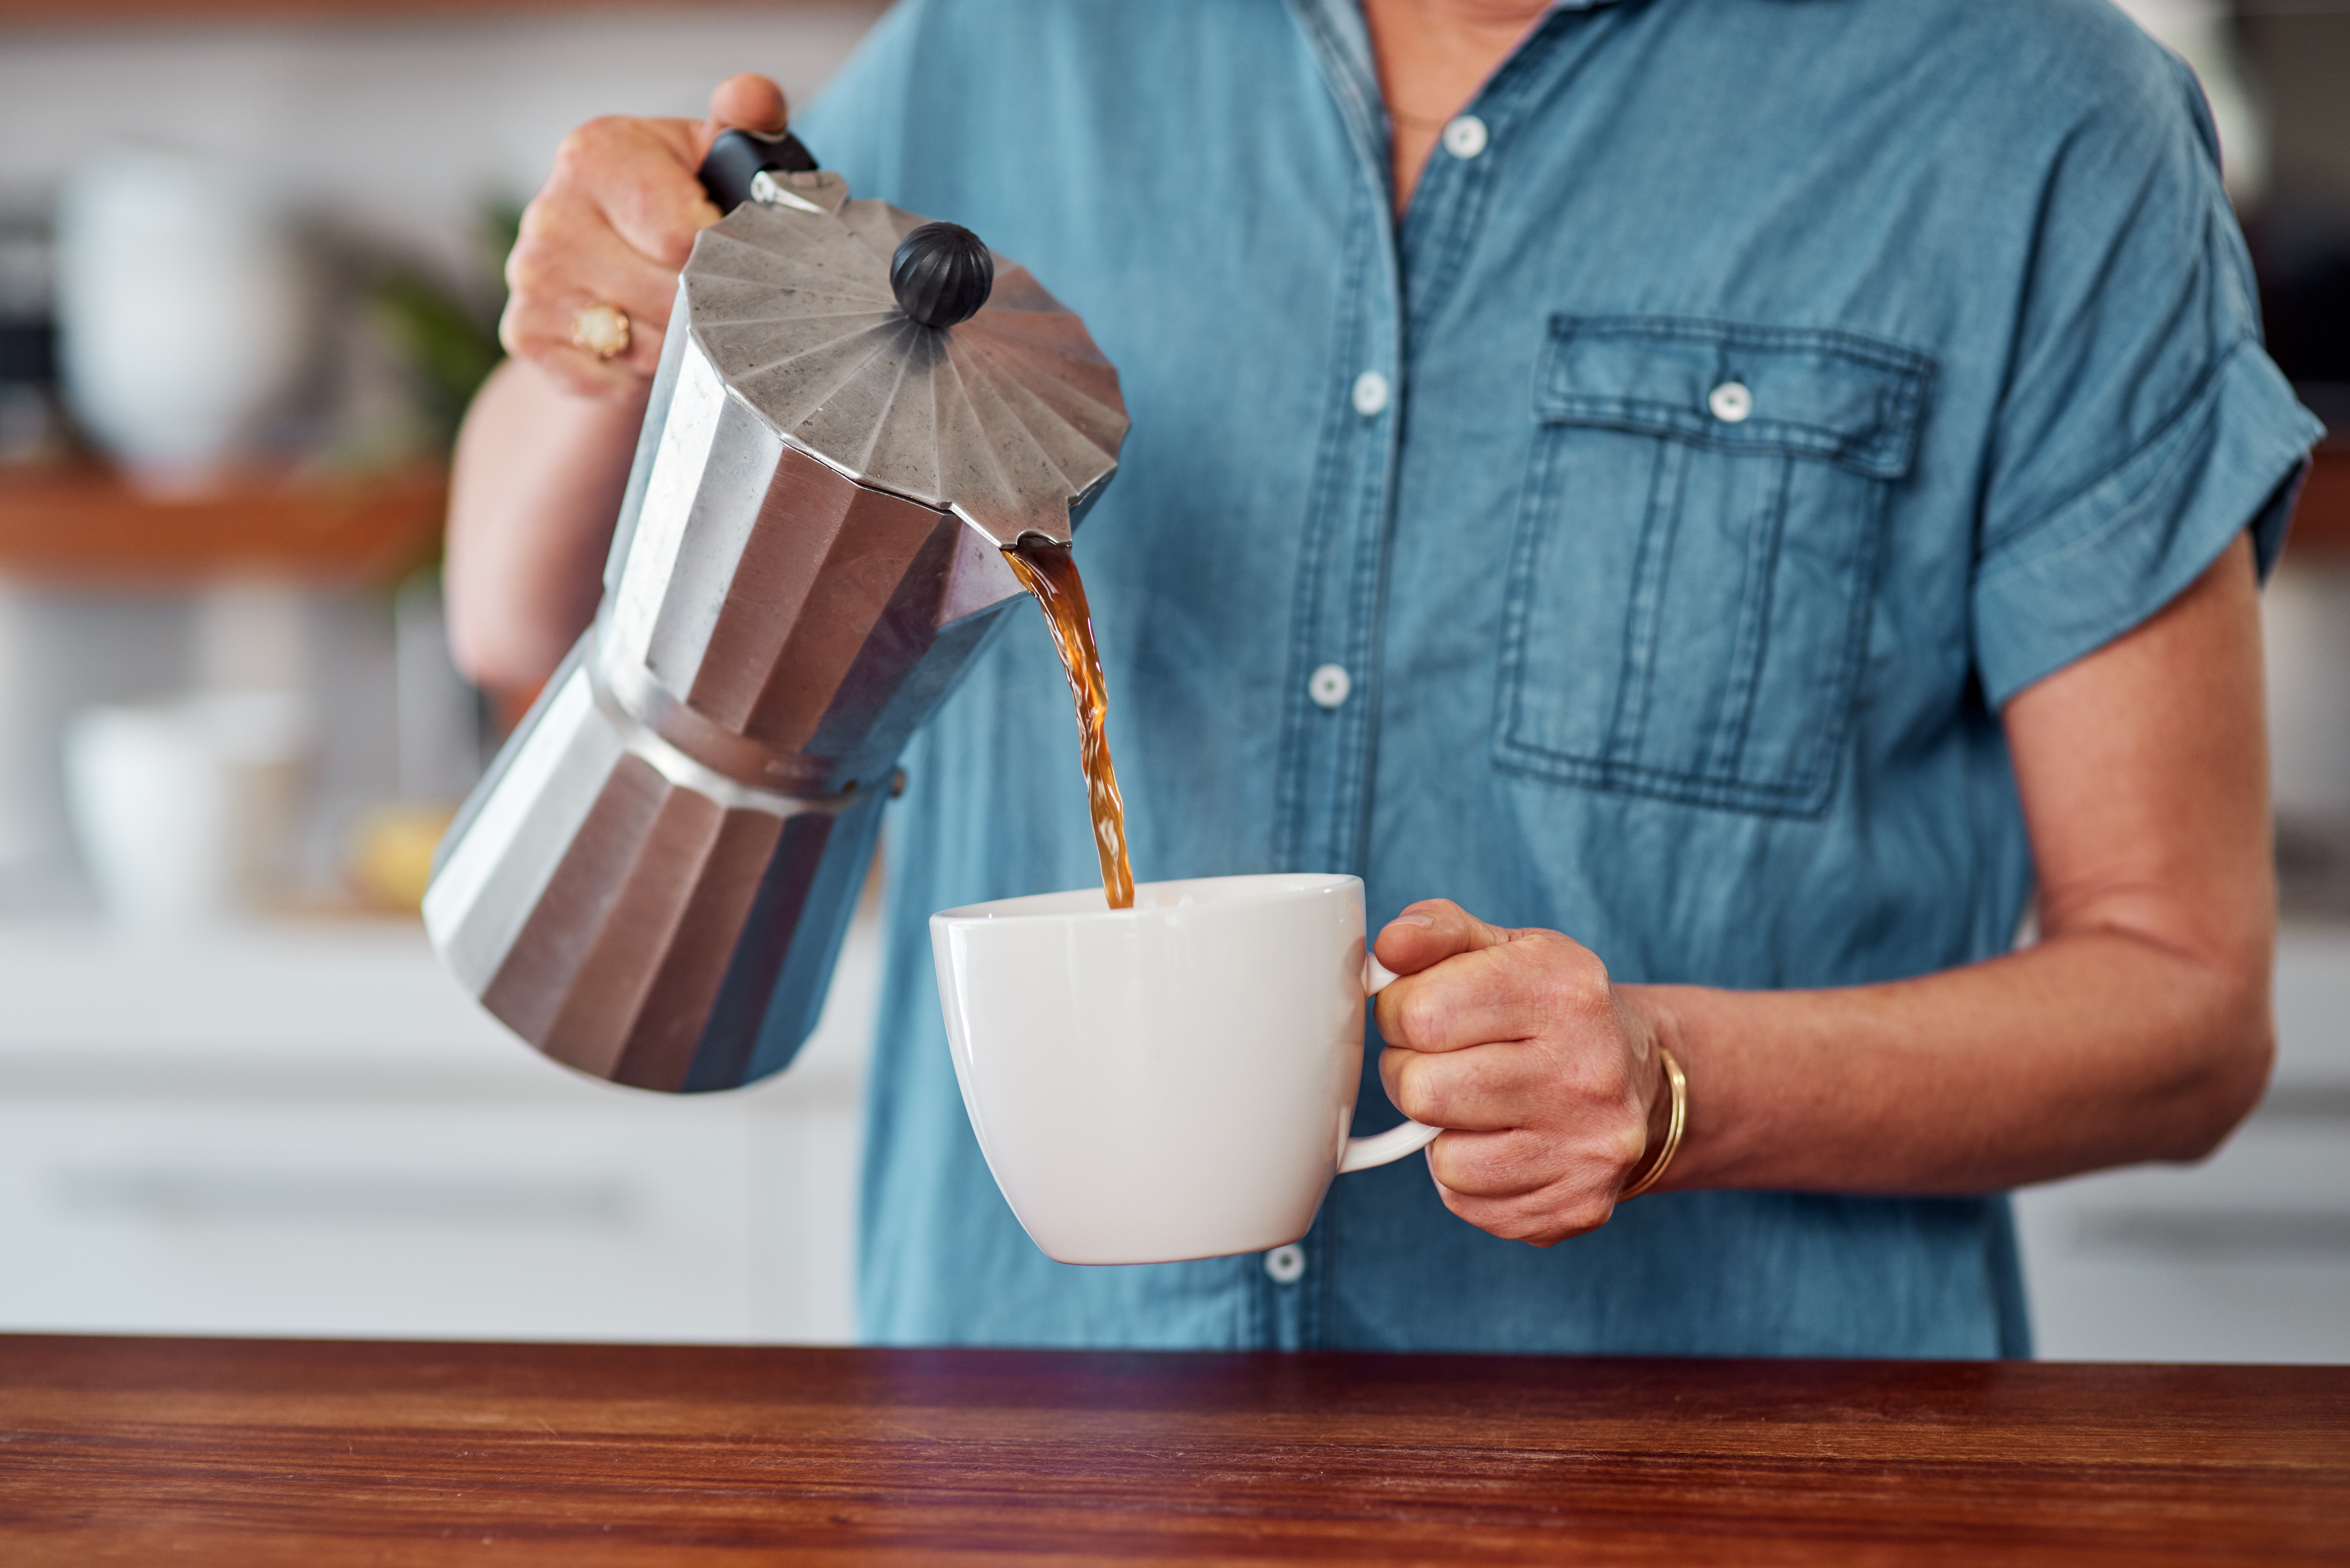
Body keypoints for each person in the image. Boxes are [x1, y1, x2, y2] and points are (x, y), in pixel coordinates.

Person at [447, 0, 2324, 1356]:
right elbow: (517, 622)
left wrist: (1680, 1083)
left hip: (1735, 1489)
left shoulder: (2037, 123)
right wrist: (591, 339)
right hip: (1035, 1473)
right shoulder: (995, 55)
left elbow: (2182, 1005)